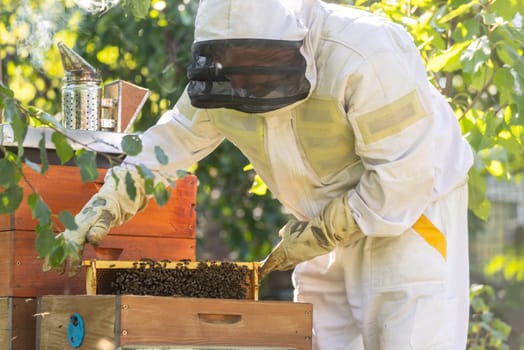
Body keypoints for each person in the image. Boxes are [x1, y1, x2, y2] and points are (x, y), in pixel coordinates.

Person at [45, 0, 474, 349]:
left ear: (295, 41)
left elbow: (405, 177)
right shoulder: (220, 77)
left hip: (409, 220)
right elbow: (171, 141)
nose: (245, 80)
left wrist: (323, 233)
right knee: (319, 337)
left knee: (408, 335)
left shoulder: (365, 52)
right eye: (232, 65)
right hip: (316, 224)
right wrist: (109, 201)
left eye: (256, 63)